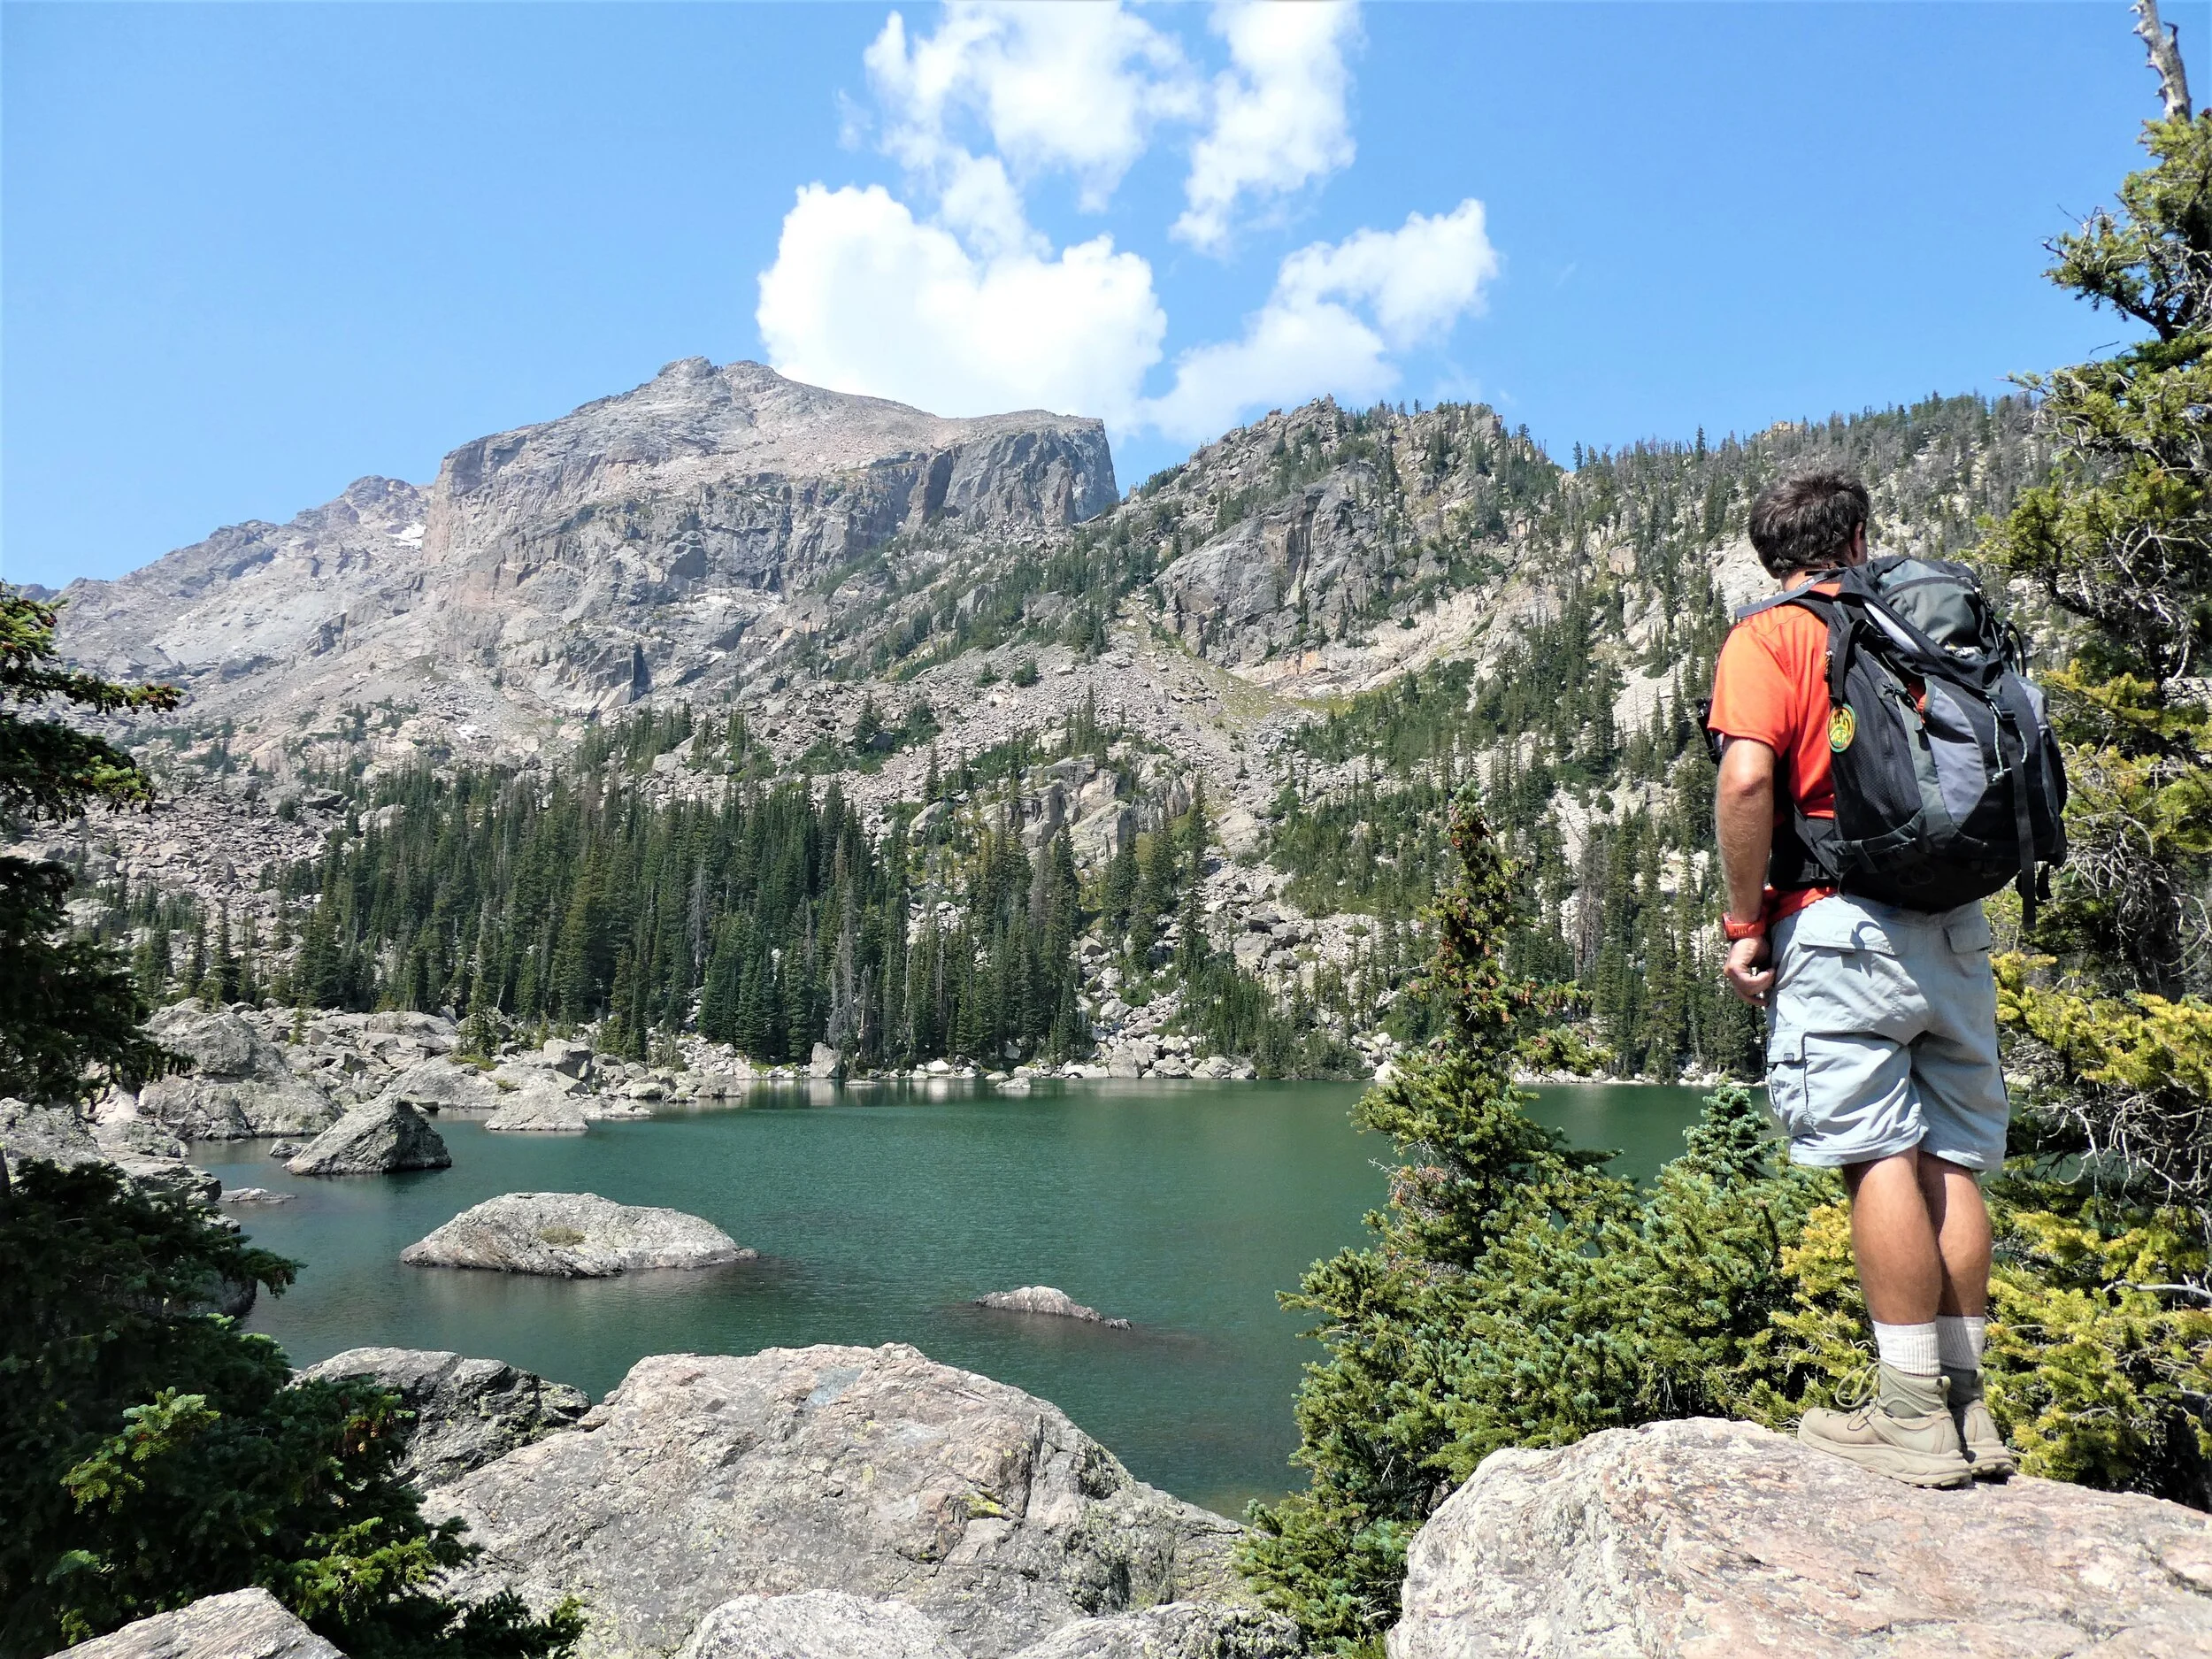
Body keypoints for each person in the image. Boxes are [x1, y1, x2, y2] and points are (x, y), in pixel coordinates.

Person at [1707, 470, 2012, 1489]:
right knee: (1950, 1161)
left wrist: (1746, 921)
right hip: (1955, 927)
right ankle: (1971, 1414)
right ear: (1861, 536)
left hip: (1838, 928)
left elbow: (1748, 777)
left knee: (1874, 1154)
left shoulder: (1771, 636)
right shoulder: (1912, 624)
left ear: (1769, 556)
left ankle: (1908, 1416)